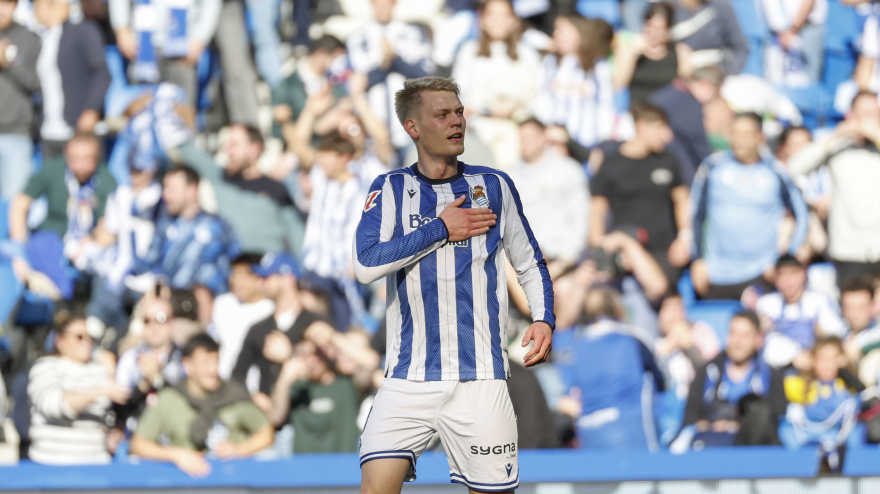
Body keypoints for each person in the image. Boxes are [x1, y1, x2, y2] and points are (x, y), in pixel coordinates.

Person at [354, 76, 554, 493]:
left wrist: (543, 318)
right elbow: (365, 263)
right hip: (408, 378)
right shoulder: (390, 188)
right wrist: (441, 228)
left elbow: (530, 262)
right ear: (413, 128)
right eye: (442, 114)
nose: (456, 121)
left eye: (459, 112)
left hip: (480, 378)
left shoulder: (493, 186)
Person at [690, 112, 809, 300]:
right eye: (734, 133)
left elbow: (801, 215)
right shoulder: (712, 167)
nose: (738, 140)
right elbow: (695, 215)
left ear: (759, 138)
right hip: (717, 273)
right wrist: (697, 260)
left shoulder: (775, 171)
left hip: (762, 272)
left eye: (745, 134)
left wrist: (783, 262)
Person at [130, 334, 274, 476]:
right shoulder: (170, 398)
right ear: (187, 366)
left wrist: (238, 450)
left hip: (231, 480)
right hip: (186, 483)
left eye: (215, 361)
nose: (212, 370)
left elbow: (266, 433)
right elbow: (138, 444)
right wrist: (175, 455)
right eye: (205, 363)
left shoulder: (233, 395)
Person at [590, 102, 691, 299]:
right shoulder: (611, 164)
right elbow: (596, 212)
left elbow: (682, 200)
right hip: (622, 250)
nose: (667, 136)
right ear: (641, 127)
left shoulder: (668, 161)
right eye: (661, 128)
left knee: (659, 288)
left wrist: (685, 237)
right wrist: (600, 246)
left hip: (664, 251)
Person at [8, 132, 117, 302]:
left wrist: (89, 241)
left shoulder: (106, 179)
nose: (81, 165)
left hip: (87, 242)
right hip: (53, 236)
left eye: (87, 159)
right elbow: (20, 203)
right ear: (67, 156)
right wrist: (18, 246)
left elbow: (108, 226)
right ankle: (57, 298)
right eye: (75, 158)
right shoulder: (53, 169)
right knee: (40, 246)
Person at [788, 91, 880, 288]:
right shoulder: (837, 146)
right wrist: (836, 135)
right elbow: (796, 166)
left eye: (874, 113)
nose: (868, 120)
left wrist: (874, 134)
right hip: (847, 248)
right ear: (851, 116)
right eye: (863, 114)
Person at [555, 287, 665, 451]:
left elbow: (568, 396)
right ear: (617, 308)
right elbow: (661, 382)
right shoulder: (632, 340)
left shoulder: (574, 350)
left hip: (590, 443)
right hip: (634, 442)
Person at [134, 165, 240, 325]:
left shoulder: (217, 227)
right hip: (171, 311)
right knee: (150, 322)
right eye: (165, 188)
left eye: (172, 189)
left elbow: (236, 265)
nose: (166, 195)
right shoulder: (164, 226)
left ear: (192, 190)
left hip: (206, 313)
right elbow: (148, 265)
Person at [673, 311, 787, 451]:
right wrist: (711, 426)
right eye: (733, 333)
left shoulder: (770, 375)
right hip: (712, 446)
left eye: (745, 335)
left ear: (758, 339)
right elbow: (690, 417)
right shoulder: (708, 372)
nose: (737, 341)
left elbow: (777, 418)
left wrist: (735, 426)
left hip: (753, 449)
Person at [451, 0, 541, 169]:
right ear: (482, 20)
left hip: (516, 130)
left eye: (504, 15)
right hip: (479, 129)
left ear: (514, 20)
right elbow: (459, 95)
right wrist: (487, 109)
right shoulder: (468, 52)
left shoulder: (527, 55)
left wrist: (514, 109)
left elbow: (536, 96)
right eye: (492, 15)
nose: (498, 21)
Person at [28, 316, 130, 464]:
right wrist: (97, 392)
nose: (86, 342)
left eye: (90, 338)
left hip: (96, 464)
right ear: (60, 341)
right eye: (79, 337)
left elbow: (111, 416)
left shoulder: (101, 371)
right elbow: (55, 405)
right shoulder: (46, 367)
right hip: (51, 464)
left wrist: (116, 433)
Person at [231, 252, 328, 408]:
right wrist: (252, 397)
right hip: (267, 420)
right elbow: (236, 376)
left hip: (307, 415)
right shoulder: (258, 329)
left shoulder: (316, 323)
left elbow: (329, 373)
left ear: (288, 279)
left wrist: (290, 356)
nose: (260, 284)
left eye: (267, 278)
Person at [347, 0, 435, 156]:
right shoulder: (357, 39)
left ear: (394, 3)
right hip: (373, 134)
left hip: (412, 133)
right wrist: (384, 64)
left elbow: (428, 77)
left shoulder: (414, 34)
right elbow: (354, 86)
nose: (382, 7)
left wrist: (395, 60)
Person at [269, 329, 378, 454]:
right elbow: (275, 418)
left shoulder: (348, 384)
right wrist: (284, 379)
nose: (312, 360)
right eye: (305, 354)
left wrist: (331, 335)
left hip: (343, 467)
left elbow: (371, 362)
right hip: (304, 469)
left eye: (317, 352)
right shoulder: (297, 389)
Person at [507, 117, 590, 273]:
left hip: (563, 260)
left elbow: (580, 217)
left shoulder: (568, 170)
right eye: (521, 139)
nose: (524, 143)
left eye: (529, 138)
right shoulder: (510, 176)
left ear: (543, 138)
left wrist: (566, 259)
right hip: (522, 262)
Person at [33, 0, 110, 159]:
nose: (34, 10)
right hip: (50, 132)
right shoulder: (44, 38)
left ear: (52, 5)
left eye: (37, 4)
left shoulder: (83, 30)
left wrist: (91, 109)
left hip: (79, 131)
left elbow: (102, 73)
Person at [779, 337, 864, 471]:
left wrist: (847, 367)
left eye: (833, 359)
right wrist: (794, 365)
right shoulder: (802, 385)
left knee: (857, 430)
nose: (827, 364)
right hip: (807, 436)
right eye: (822, 358)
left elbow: (860, 393)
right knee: (785, 427)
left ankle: (854, 470)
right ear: (813, 360)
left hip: (836, 437)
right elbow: (781, 383)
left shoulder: (845, 385)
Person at [534, 14, 616, 149]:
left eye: (562, 30)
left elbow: (605, 109)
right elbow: (542, 101)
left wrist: (602, 146)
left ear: (580, 32)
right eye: (556, 30)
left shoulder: (598, 68)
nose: (557, 34)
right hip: (551, 142)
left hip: (585, 144)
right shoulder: (549, 63)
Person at [758, 255, 847, 369]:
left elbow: (838, 332)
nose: (788, 281)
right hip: (779, 369)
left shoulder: (819, 300)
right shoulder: (766, 304)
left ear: (803, 275)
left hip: (814, 366)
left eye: (793, 274)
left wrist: (822, 334)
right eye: (782, 275)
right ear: (775, 278)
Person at [114, 295, 185, 433]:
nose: (154, 326)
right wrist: (144, 384)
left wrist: (157, 379)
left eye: (161, 319)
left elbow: (187, 403)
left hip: (173, 441)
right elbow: (120, 408)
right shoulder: (129, 358)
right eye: (147, 320)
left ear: (172, 322)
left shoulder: (185, 358)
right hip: (135, 439)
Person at [648, 66, 720, 184]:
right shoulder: (687, 103)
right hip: (674, 169)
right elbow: (699, 145)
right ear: (706, 85)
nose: (713, 100)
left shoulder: (669, 93)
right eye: (716, 92)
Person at [271, 34, 347, 144]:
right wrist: (315, 124)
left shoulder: (336, 85)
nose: (340, 64)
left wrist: (346, 127)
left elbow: (355, 131)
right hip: (300, 154)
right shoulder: (286, 85)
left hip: (336, 154)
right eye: (335, 58)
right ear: (319, 54)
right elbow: (277, 132)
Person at [613, 2, 693, 105]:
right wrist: (632, 54)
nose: (655, 33)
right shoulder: (631, 48)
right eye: (651, 26)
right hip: (638, 110)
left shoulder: (679, 52)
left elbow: (686, 86)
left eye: (661, 28)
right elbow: (619, 84)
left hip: (667, 110)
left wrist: (685, 62)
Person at [211, 253, 275, 380]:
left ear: (260, 278)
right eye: (235, 274)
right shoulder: (222, 304)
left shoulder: (271, 308)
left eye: (245, 275)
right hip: (225, 385)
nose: (237, 281)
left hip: (259, 386)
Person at [0, 0, 40, 199]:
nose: (2, 9)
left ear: (16, 6)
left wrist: (9, 60)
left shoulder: (29, 38)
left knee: (15, 206)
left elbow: (37, 82)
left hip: (16, 133)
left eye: (7, 3)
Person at [671, 0, 749, 75]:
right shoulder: (669, 7)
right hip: (680, 77)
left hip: (717, 75)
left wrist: (731, 72)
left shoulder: (720, 6)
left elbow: (740, 45)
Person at [841, 278, 880, 386]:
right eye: (849, 307)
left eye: (860, 307)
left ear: (873, 306)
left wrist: (857, 344)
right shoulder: (839, 332)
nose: (854, 314)